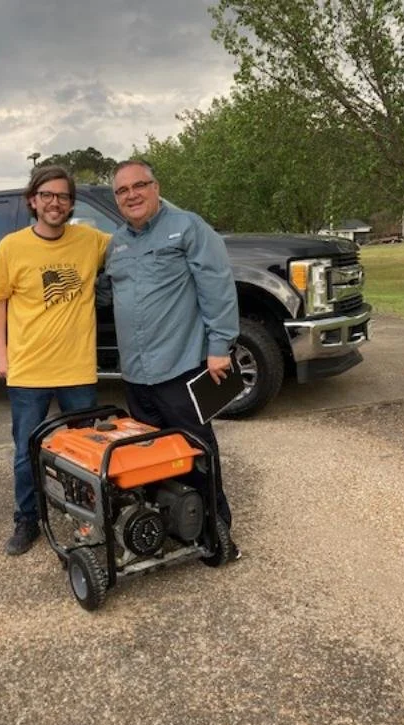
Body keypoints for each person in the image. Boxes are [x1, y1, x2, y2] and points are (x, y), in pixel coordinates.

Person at [103, 159, 241, 558]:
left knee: (196, 452)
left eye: (139, 185)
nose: (131, 194)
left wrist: (220, 348)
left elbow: (216, 285)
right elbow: (111, 293)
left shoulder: (188, 227)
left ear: (156, 186)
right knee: (151, 458)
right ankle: (173, 525)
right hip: (136, 373)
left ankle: (217, 533)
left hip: (180, 368)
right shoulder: (117, 243)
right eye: (122, 190)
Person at [0, 166, 110, 555]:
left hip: (77, 368)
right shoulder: (12, 246)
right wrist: (1, 352)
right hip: (28, 370)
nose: (56, 202)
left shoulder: (91, 240)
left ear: (72, 203)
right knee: (26, 451)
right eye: (48, 195)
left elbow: (137, 237)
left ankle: (87, 516)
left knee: (85, 450)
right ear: (33, 201)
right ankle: (27, 520)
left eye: (64, 196)